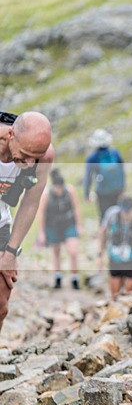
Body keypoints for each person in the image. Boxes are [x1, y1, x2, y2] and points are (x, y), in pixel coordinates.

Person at [0, 111, 55, 333]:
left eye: (36, 156)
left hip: (1, 222)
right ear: (10, 135)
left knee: (1, 304)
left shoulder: (44, 157)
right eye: (25, 154)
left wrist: (10, 253)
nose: (30, 162)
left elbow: (31, 203)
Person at [98, 196, 132, 300]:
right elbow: (102, 231)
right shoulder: (112, 214)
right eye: (123, 211)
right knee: (114, 291)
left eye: (128, 211)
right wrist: (100, 254)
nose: (125, 214)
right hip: (115, 257)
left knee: (129, 292)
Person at [37, 169, 82, 289]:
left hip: (68, 224)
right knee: (56, 252)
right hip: (53, 226)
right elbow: (41, 213)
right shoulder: (46, 194)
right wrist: (41, 232)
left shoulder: (70, 190)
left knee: (73, 251)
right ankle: (58, 277)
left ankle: (74, 277)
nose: (59, 190)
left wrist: (79, 225)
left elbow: (76, 208)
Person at [84, 128, 126, 221]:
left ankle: (106, 234)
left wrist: (86, 194)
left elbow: (88, 177)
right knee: (119, 215)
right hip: (117, 190)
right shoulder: (115, 153)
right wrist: (123, 187)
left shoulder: (92, 158)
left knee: (105, 217)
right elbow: (122, 170)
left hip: (102, 192)